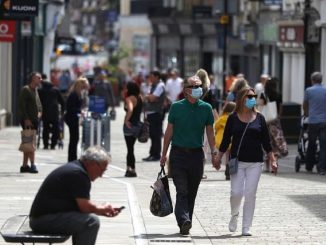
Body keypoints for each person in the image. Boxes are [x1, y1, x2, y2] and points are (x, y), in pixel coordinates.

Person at [160, 74, 220, 235]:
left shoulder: (206, 108)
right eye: (194, 86)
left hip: (196, 156)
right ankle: (184, 220)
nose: (198, 89)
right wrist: (163, 153)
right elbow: (169, 131)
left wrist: (214, 151)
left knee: (192, 192)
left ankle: (186, 222)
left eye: (199, 86)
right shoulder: (176, 107)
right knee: (182, 190)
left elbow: (210, 132)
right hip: (178, 154)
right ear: (186, 90)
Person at [213, 87, 277, 236]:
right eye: (249, 96)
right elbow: (225, 141)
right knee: (236, 193)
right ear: (241, 99)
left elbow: (266, 142)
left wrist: (272, 160)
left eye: (254, 96)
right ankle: (234, 214)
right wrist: (217, 157)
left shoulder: (260, 118)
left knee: (250, 193)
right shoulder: (233, 118)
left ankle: (246, 226)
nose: (253, 99)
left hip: (255, 162)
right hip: (237, 162)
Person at [29, 146, 122, 245]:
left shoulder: (76, 169)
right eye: (103, 170)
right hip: (43, 220)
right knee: (91, 222)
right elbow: (85, 208)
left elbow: (82, 207)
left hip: (42, 218)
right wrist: (102, 209)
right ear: (94, 164)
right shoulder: (78, 174)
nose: (101, 175)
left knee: (87, 219)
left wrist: (102, 209)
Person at [18, 72, 43, 173]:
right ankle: (32, 164)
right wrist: (26, 119)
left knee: (28, 142)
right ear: (33, 78)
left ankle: (24, 166)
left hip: (34, 119)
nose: (40, 80)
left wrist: (40, 112)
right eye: (38, 78)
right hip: (28, 120)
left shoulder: (35, 90)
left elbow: (39, 104)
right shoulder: (26, 89)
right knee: (31, 142)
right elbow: (22, 106)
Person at [262, 77, 288, 172]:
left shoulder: (264, 95)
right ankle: (275, 163)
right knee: (276, 142)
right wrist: (278, 117)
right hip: (275, 121)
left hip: (265, 121)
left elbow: (260, 106)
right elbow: (280, 107)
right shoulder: (278, 94)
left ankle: (267, 167)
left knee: (267, 142)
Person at [303, 71, 326, 175]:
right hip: (324, 121)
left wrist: (307, 114)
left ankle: (309, 166)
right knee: (323, 145)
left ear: (312, 80)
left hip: (313, 121)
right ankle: (321, 168)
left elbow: (305, 104)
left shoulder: (309, 90)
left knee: (311, 144)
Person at [64, 76, 90, 162]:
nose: (86, 86)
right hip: (71, 118)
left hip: (73, 117)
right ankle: (72, 158)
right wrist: (80, 111)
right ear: (81, 85)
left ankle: (72, 158)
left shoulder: (79, 93)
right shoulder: (74, 94)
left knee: (75, 138)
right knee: (74, 138)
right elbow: (70, 108)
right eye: (85, 85)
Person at [142, 70, 166, 162]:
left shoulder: (160, 85)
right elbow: (147, 97)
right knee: (152, 134)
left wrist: (149, 97)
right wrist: (149, 97)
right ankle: (152, 154)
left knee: (156, 134)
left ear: (157, 77)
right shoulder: (153, 85)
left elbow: (152, 98)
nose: (150, 78)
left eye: (151, 76)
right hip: (150, 113)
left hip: (156, 113)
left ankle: (156, 155)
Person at [38, 73, 65, 150]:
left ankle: (46, 144)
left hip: (45, 113)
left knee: (45, 128)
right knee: (55, 129)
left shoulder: (41, 91)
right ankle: (53, 144)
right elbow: (62, 102)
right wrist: (63, 111)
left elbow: (37, 102)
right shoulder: (55, 90)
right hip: (54, 113)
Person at [123, 82, 143, 177]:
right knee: (131, 148)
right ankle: (132, 168)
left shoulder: (129, 98)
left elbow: (130, 109)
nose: (125, 90)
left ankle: (129, 169)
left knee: (129, 149)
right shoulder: (140, 98)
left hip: (130, 126)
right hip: (137, 125)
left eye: (126, 88)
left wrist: (126, 120)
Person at [214, 101, 236, 180]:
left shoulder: (222, 118)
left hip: (222, 141)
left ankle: (227, 171)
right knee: (231, 156)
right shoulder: (234, 117)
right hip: (232, 140)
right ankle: (231, 171)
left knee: (226, 156)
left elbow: (216, 126)